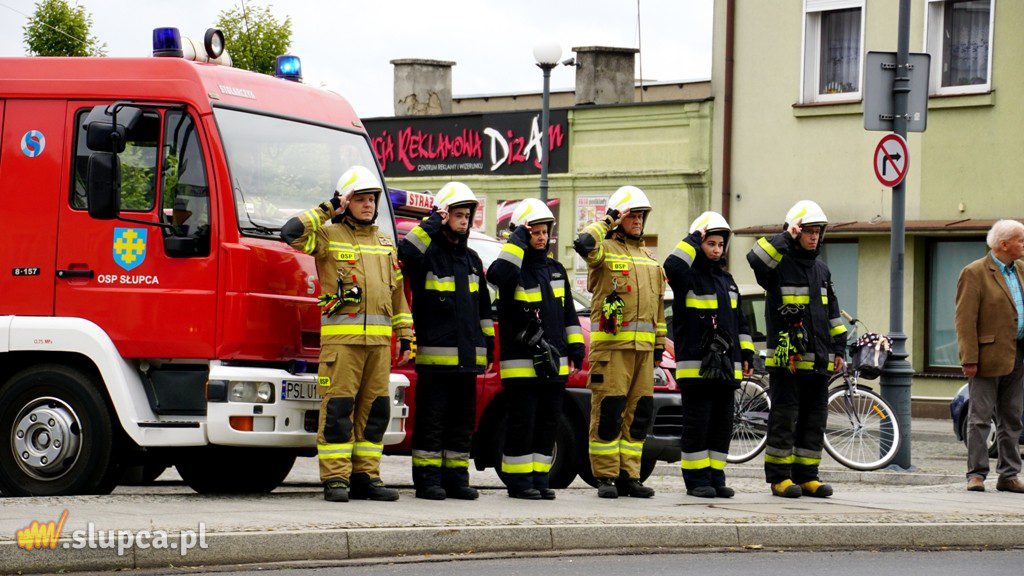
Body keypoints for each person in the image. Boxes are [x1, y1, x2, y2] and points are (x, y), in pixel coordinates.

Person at [280, 165, 412, 502]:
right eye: (360, 198)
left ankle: (367, 476)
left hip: (379, 347)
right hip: (342, 345)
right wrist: (329, 208)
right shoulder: (328, 237)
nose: (368, 204)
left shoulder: (385, 243)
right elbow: (290, 232)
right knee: (338, 410)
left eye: (372, 199)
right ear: (346, 202)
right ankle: (336, 479)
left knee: (376, 411)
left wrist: (406, 335)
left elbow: (396, 295)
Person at [398, 181, 495, 501]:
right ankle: (427, 480)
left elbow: (483, 306)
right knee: (432, 421)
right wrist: (430, 222)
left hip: (467, 360)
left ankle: (456, 478)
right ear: (443, 216)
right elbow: (406, 251)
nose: (464, 219)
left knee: (461, 423)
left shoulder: (470, 259)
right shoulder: (427, 256)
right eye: (457, 214)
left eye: (468, 214)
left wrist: (488, 342)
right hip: (436, 362)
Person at [746, 200, 846, 498]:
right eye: (808, 231)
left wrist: (839, 347)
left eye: (817, 231)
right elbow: (755, 257)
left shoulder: (822, 271)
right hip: (787, 362)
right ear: (796, 231)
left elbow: (833, 315)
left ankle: (807, 476)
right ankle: (780, 478)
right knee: (784, 419)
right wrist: (785, 237)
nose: (814, 236)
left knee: (814, 420)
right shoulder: (776, 266)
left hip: (819, 360)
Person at [573, 185, 667, 499]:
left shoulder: (650, 260)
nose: (638, 220)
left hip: (643, 353)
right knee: (609, 412)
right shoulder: (603, 251)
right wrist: (609, 219)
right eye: (632, 215)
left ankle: (630, 475)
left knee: (638, 414)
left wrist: (658, 345)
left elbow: (658, 310)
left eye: (641, 215)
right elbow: (583, 242)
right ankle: (605, 477)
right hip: (611, 352)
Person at [487, 198, 585, 500]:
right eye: (535, 232)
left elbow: (568, 312)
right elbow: (497, 274)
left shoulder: (555, 270)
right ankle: (518, 481)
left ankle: (540, 477)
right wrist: (516, 238)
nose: (542, 238)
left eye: (545, 232)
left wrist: (577, 346)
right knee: (523, 422)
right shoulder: (512, 271)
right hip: (522, 363)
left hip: (554, 362)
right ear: (522, 234)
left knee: (548, 422)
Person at [664, 211, 755, 498]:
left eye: (719, 245)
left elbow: (740, 322)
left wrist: (747, 354)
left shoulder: (727, 280)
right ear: (700, 242)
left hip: (727, 367)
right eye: (710, 243)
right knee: (698, 424)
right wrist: (693, 238)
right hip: (697, 369)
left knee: (721, 425)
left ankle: (716, 476)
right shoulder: (686, 278)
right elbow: (672, 264)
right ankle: (696, 480)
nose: (716, 250)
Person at [955, 219, 1024, 493]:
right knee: (980, 418)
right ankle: (976, 474)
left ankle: (1009, 474)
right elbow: (964, 320)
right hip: (986, 357)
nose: (1023, 245)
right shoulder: (974, 272)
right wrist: (968, 358)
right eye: (1020, 240)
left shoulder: (1020, 269)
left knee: (1013, 418)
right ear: (1003, 244)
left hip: (1018, 353)